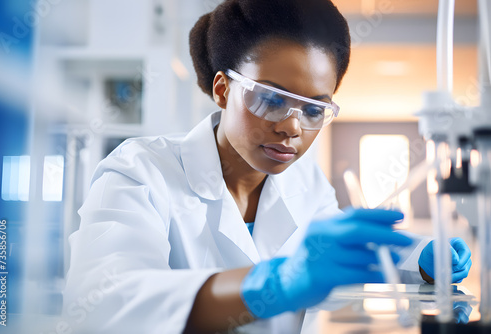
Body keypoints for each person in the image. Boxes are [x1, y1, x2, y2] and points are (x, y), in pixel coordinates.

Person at [62, 0, 472, 333]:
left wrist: (420, 255)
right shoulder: (140, 171)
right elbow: (102, 302)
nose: (292, 127)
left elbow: (344, 253)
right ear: (223, 90)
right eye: (271, 98)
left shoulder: (305, 180)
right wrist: (272, 285)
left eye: (314, 109)